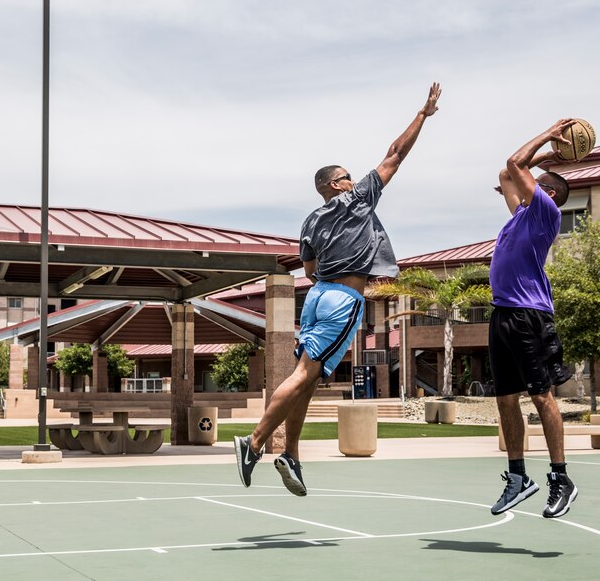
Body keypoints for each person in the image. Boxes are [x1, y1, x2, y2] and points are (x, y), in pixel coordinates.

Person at [234, 83, 442, 496]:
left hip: (315, 297)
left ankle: (290, 453)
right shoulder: (358, 200)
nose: (353, 178)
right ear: (335, 185)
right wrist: (423, 114)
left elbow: (308, 267)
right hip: (342, 298)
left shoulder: (311, 221)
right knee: (303, 376)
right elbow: (395, 155)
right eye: (346, 176)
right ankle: (253, 443)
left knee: (308, 381)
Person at [488, 118, 578, 518]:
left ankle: (561, 478)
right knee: (506, 399)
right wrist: (553, 154)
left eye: (538, 179)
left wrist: (549, 133)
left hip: (529, 316)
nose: (525, 182)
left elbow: (514, 161)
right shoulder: (519, 215)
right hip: (503, 314)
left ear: (549, 192)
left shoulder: (544, 212)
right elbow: (507, 172)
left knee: (542, 396)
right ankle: (518, 476)